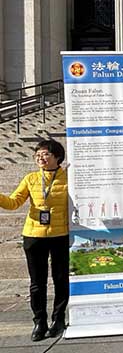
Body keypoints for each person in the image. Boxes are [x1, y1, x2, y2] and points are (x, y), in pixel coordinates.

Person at [0, 140, 69, 341]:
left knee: (60, 279)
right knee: (37, 283)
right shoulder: (31, 178)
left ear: (57, 157)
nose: (40, 157)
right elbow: (14, 203)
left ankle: (58, 319)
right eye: (37, 154)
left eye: (45, 154)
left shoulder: (68, 178)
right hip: (34, 236)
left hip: (60, 235)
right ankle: (40, 321)